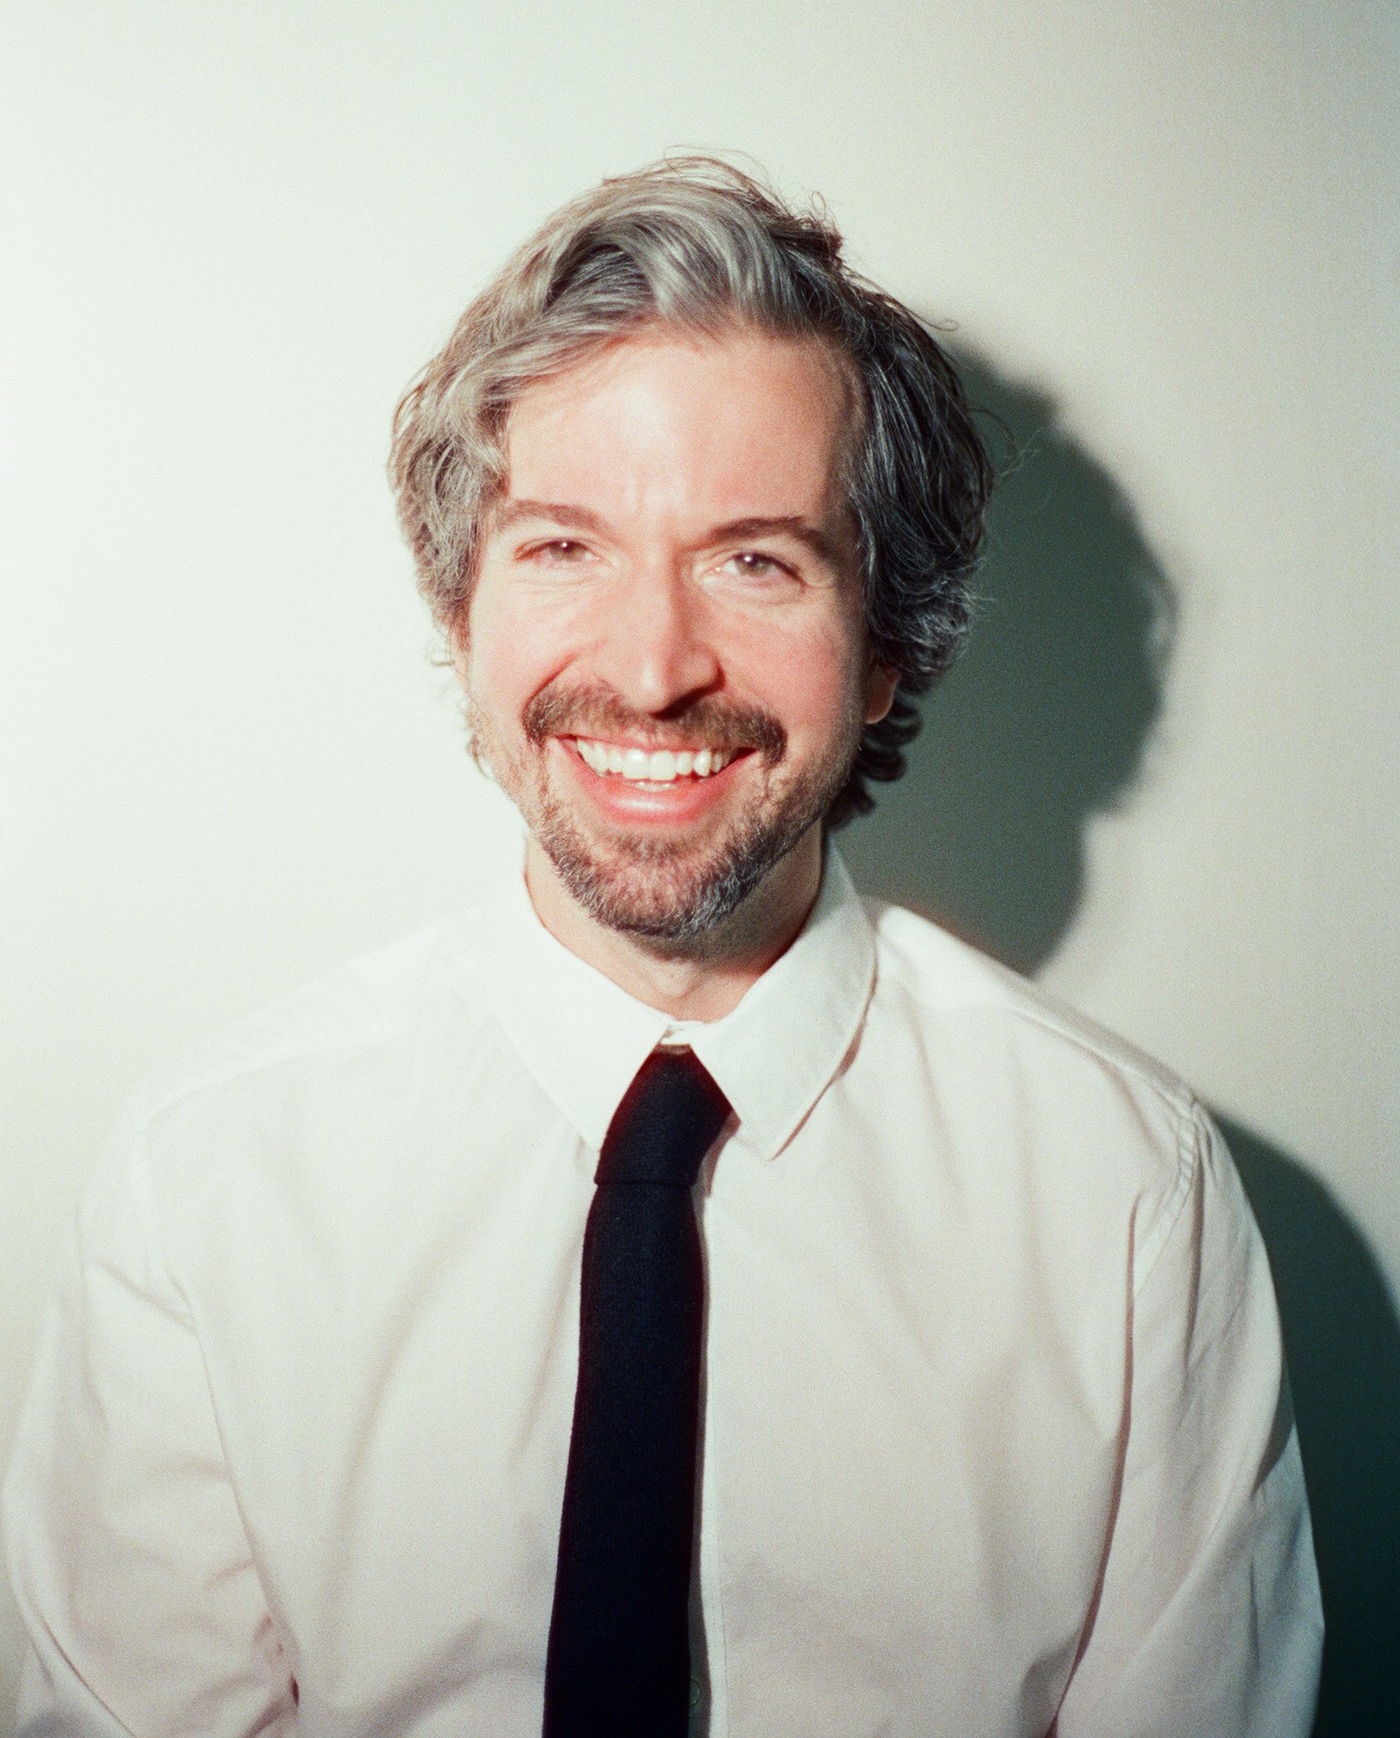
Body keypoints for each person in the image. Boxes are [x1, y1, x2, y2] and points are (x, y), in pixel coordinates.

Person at [4, 158, 1322, 1736]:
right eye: (563, 547)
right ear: (461, 607)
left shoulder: (1128, 1199)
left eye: (755, 560)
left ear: (888, 644)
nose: (650, 666)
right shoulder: (203, 1184)